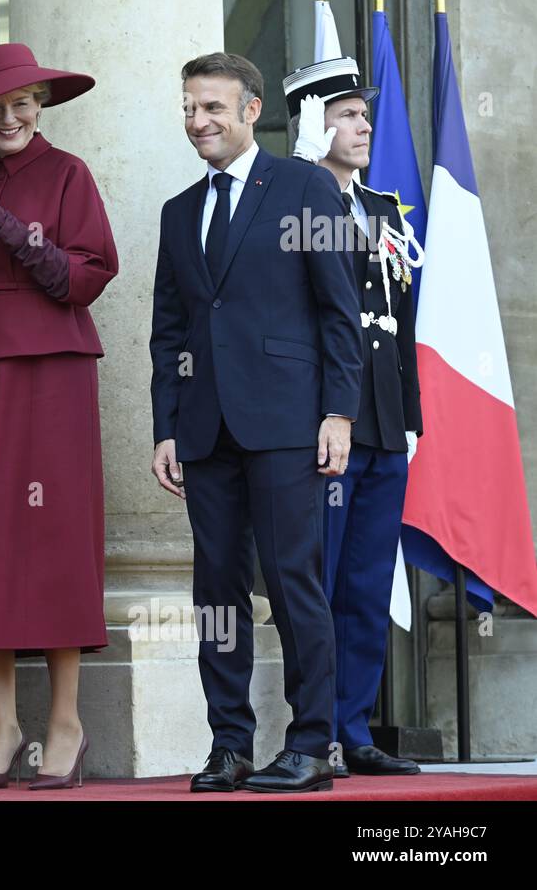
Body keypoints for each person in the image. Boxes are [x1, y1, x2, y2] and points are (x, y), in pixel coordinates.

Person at [148, 52, 362, 794]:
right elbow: (168, 331)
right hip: (206, 432)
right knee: (217, 596)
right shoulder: (179, 211)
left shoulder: (305, 186)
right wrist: (166, 427)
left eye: (211, 108)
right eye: (188, 108)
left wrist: (338, 412)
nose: (197, 121)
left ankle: (310, 745)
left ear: (250, 111)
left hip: (286, 424)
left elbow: (341, 313)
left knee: (295, 582)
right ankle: (229, 745)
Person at [0, 43, 117, 790]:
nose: (9, 117)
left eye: (22, 103)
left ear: (42, 105)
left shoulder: (68, 175)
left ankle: (64, 722)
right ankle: (4, 726)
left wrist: (6, 223)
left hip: (50, 376)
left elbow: (83, 277)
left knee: (55, 540)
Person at [285, 58, 423, 776]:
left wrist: (412, 418)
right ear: (312, 123)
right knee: (321, 581)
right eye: (346, 114)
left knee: (366, 583)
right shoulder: (292, 205)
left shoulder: (382, 208)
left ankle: (355, 725)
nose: (364, 125)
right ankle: (317, 731)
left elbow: (396, 322)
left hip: (381, 424)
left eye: (366, 115)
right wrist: (308, 178)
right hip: (322, 425)